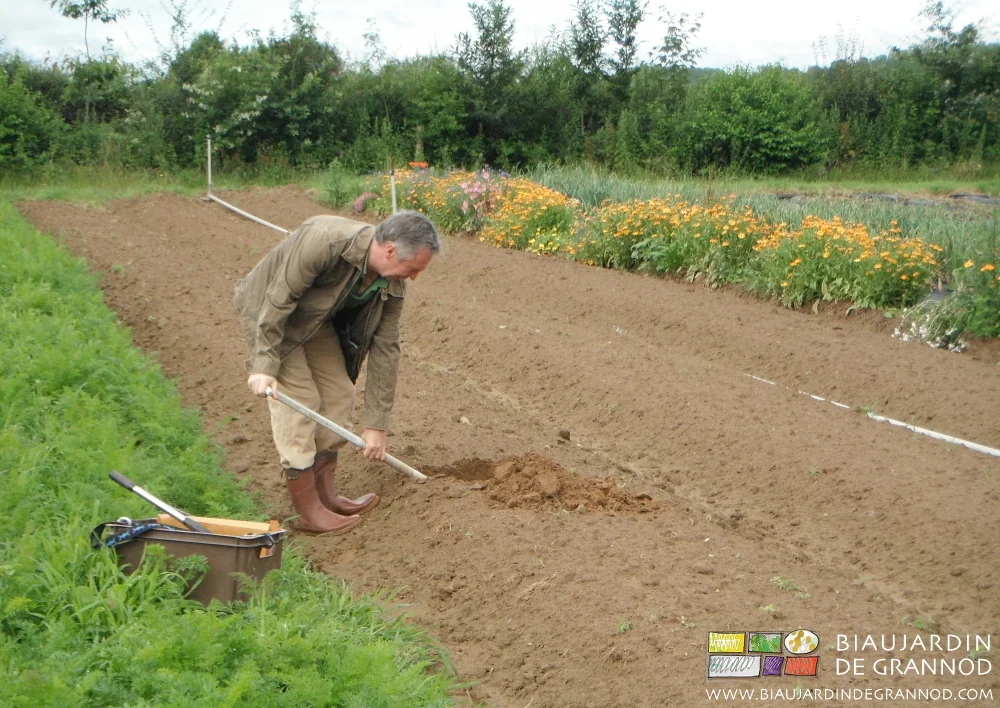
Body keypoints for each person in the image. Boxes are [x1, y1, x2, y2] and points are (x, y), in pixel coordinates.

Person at [234, 210, 440, 534]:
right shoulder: (325, 240)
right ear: (390, 251)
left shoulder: (393, 284)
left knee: (339, 395)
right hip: (270, 313)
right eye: (412, 268)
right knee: (300, 399)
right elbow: (278, 299)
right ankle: (306, 510)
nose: (413, 277)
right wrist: (263, 366)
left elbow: (387, 348)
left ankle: (326, 494)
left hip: (315, 322)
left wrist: (376, 424)